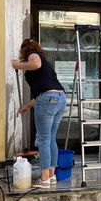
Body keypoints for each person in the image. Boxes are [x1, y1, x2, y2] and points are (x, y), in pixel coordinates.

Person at [12, 39, 66, 189]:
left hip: (48, 99)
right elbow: (44, 92)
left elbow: (35, 64)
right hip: (60, 98)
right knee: (51, 139)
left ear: (25, 50)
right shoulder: (45, 62)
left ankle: (44, 179)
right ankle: (51, 175)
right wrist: (27, 107)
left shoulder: (32, 55)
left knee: (43, 140)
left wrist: (18, 65)